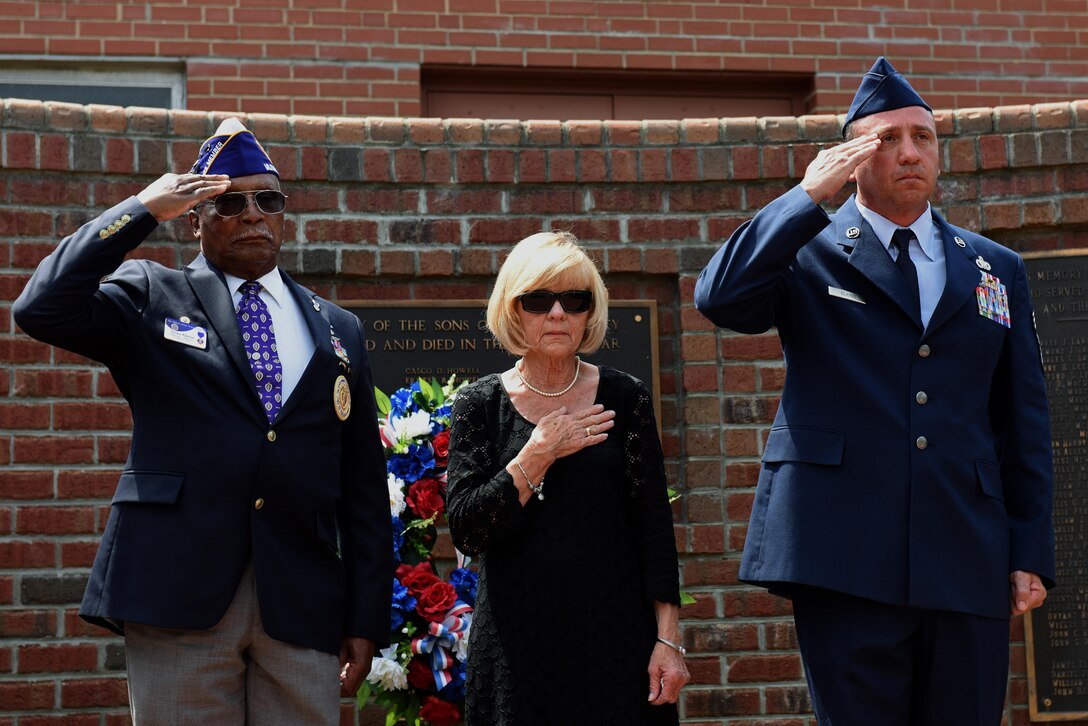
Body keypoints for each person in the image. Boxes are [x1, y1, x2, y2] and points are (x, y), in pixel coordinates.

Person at [695, 57, 1055, 724]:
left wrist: (1029, 551)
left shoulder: (992, 266)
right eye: (887, 139)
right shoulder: (808, 250)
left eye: (923, 137)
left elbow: (1023, 417)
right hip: (845, 551)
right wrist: (806, 198)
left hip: (964, 551)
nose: (910, 153)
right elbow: (721, 298)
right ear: (852, 155)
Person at [13, 118, 393, 724]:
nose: (251, 214)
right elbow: (41, 305)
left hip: (299, 597)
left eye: (267, 199)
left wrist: (367, 615)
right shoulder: (151, 295)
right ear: (193, 218)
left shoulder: (336, 326)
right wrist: (141, 208)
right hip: (177, 590)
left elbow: (364, 487)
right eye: (228, 201)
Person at [446, 232, 689, 724]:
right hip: (516, 647)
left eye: (573, 300)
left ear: (589, 311)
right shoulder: (481, 405)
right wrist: (537, 454)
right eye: (538, 300)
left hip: (616, 641)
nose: (557, 313)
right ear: (514, 310)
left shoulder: (626, 398)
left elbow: (654, 530)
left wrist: (668, 638)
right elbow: (469, 530)